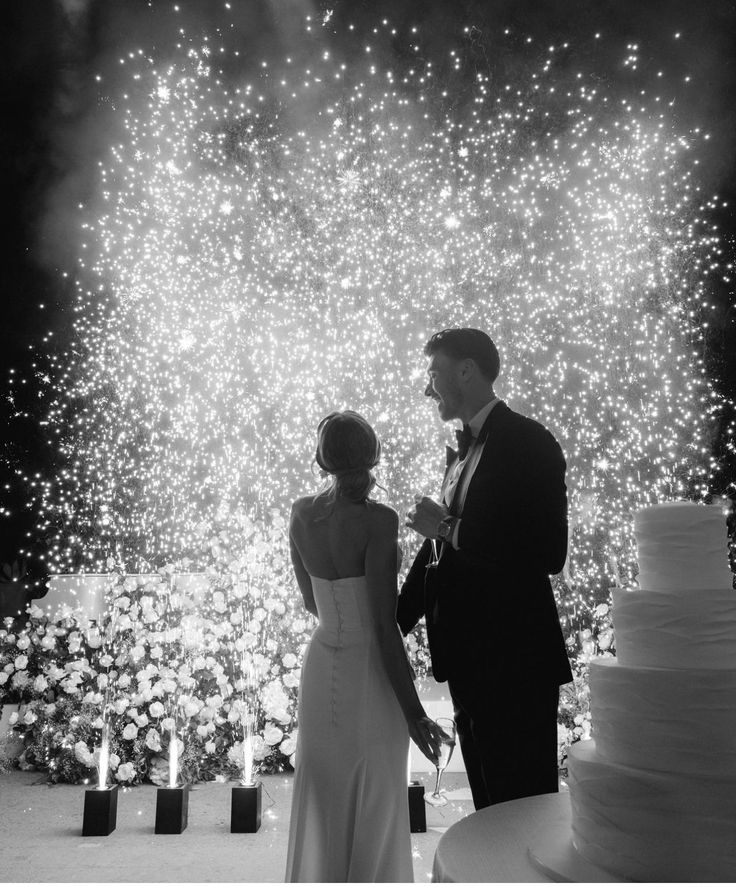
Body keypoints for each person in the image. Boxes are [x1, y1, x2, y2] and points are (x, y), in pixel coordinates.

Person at [399, 328, 573, 810]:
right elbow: (442, 547)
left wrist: (450, 527)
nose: (427, 388)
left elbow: (548, 552)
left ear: (466, 371)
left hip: (516, 663)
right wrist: (391, 619)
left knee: (525, 814)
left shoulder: (531, 441)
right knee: (491, 814)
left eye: (433, 374)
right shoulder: (461, 449)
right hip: (469, 663)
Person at [285, 410, 444, 883]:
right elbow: (382, 625)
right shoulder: (380, 520)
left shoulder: (300, 513)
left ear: (321, 459)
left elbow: (312, 604)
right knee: (377, 792)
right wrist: (415, 713)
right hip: (370, 670)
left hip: (322, 664)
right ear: (373, 455)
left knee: (324, 790)